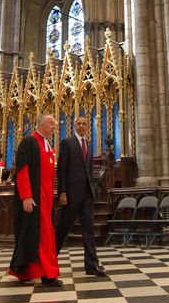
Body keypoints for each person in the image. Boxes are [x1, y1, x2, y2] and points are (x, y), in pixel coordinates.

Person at [8, 114, 62, 286]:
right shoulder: (29, 142)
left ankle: (28, 272)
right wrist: (26, 196)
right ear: (41, 125)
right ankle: (49, 274)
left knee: (38, 236)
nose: (54, 126)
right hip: (34, 198)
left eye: (54, 123)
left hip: (46, 199)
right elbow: (22, 171)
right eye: (51, 123)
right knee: (43, 235)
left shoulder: (47, 145)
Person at [55, 116, 106, 277]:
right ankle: (48, 263)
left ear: (88, 127)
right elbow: (61, 170)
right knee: (62, 229)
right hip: (70, 194)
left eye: (84, 124)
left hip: (86, 194)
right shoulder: (67, 143)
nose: (82, 126)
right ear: (74, 126)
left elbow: (89, 170)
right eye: (79, 124)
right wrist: (62, 192)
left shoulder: (89, 145)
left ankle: (92, 265)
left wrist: (92, 187)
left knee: (88, 229)